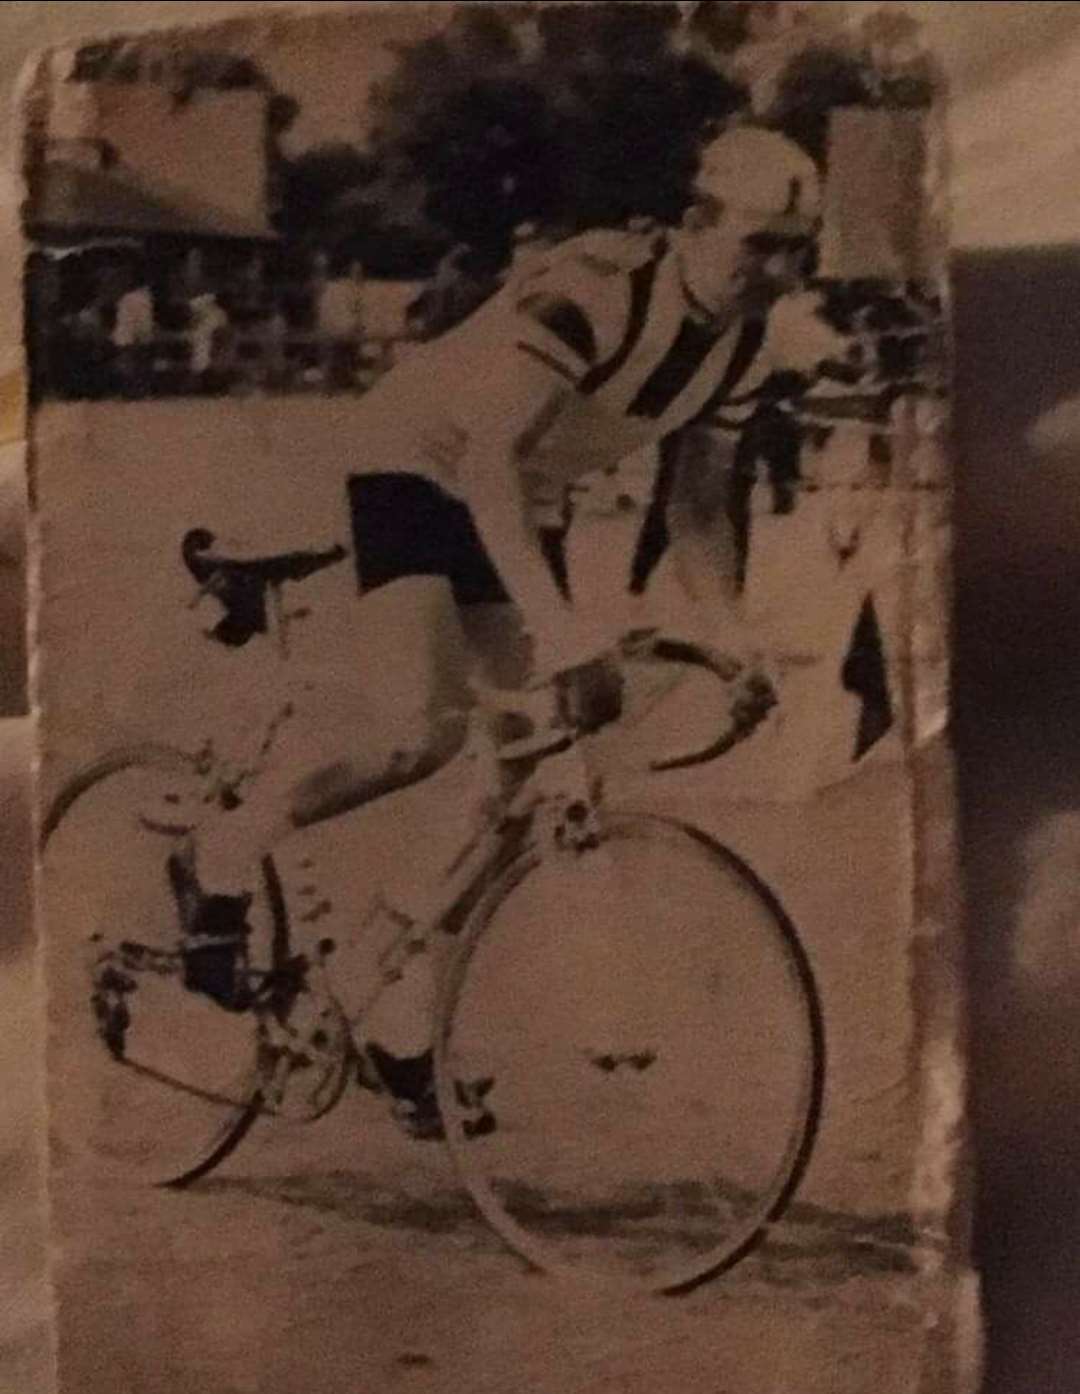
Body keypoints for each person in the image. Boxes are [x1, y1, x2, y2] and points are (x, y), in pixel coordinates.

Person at [178, 125, 848, 1137]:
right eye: (761, 244)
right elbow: (488, 460)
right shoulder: (597, 286)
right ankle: (221, 850)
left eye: (798, 248)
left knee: (513, 766)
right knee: (421, 726)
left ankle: (389, 1010)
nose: (779, 271)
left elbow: (702, 507)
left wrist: (732, 631)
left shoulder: (745, 347)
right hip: (417, 463)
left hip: (523, 499)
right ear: (697, 222)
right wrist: (563, 628)